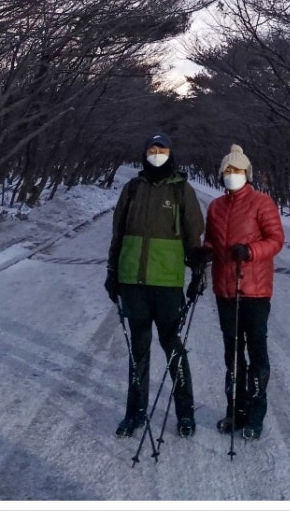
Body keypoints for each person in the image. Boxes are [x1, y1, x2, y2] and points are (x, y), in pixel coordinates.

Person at [104, 132, 206, 439]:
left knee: (173, 348)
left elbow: (194, 236)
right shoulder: (132, 188)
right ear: (144, 153)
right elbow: (118, 234)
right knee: (138, 351)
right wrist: (112, 273)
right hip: (133, 282)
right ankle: (134, 413)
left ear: (170, 153)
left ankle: (185, 413)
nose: (156, 154)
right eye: (152, 149)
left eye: (161, 149)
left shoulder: (181, 191)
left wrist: (198, 272)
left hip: (167, 284)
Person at [203, 143, 284, 441]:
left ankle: (256, 413)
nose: (231, 174)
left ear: (247, 173)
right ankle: (235, 410)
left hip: (255, 291)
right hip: (225, 291)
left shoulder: (262, 203)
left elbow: (276, 239)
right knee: (233, 355)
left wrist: (250, 251)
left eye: (237, 170)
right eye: (227, 170)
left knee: (257, 351)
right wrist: (204, 253)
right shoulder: (215, 206)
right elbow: (211, 240)